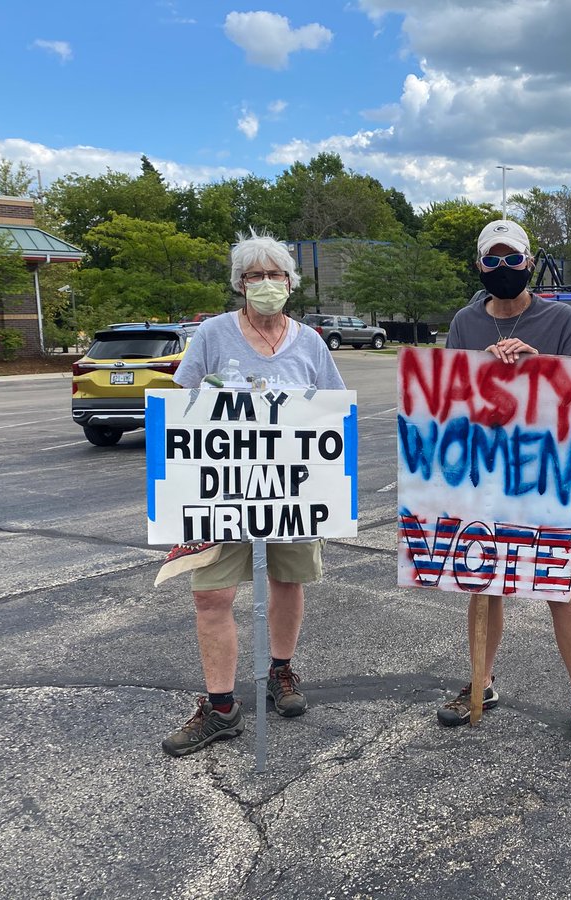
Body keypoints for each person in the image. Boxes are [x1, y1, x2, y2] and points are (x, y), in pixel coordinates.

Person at [160, 231, 346, 757]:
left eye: (276, 275)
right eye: (255, 276)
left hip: (292, 489)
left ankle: (281, 671)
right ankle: (221, 708)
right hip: (225, 491)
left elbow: (333, 411)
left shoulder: (309, 342)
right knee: (211, 594)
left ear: (291, 282)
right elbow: (184, 409)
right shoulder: (214, 335)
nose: (266, 284)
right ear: (240, 284)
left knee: (287, 579)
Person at [436, 219, 571, 749]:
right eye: (494, 259)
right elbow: (446, 403)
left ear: (530, 262)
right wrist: (479, 371)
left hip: (545, 474)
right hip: (484, 472)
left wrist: (541, 371)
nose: (505, 268)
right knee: (481, 582)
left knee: (560, 586)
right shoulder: (465, 323)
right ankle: (481, 683)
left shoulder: (560, 320)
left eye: (515, 259)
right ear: (479, 265)